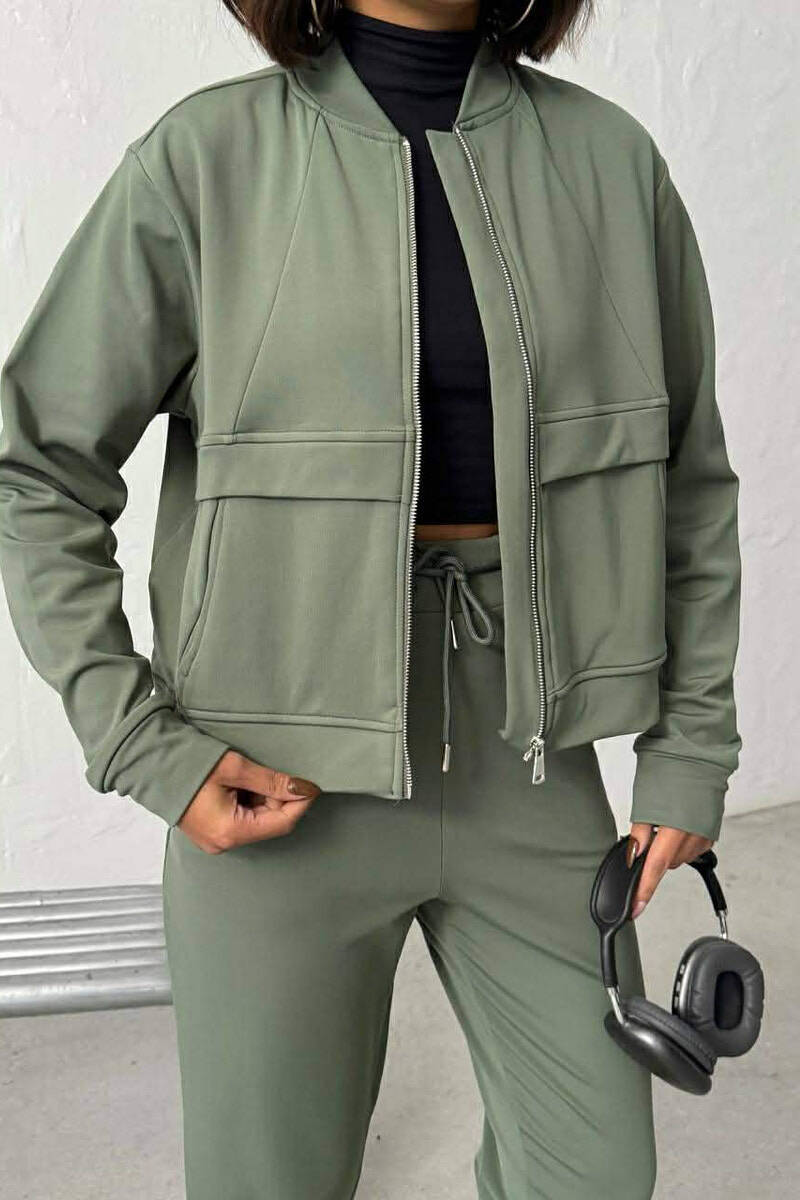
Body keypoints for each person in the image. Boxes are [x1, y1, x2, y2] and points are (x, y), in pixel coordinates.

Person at [0, 0, 742, 1196]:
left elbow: (689, 484)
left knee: (594, 1174)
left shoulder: (608, 163)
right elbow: (33, 467)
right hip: (270, 772)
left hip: (529, 760)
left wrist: (689, 748)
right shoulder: (204, 160)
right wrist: (141, 743)